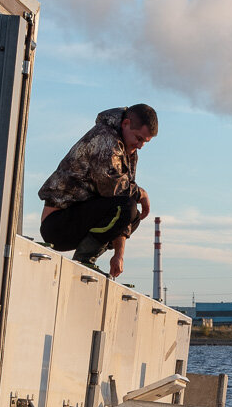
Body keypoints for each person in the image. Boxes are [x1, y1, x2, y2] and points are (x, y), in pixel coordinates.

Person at [38, 103, 158, 278]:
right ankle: (84, 258)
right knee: (127, 206)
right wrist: (142, 193)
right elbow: (113, 189)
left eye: (145, 142)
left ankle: (88, 257)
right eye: (138, 138)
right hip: (57, 225)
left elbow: (123, 207)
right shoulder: (104, 139)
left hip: (78, 221)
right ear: (125, 124)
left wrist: (119, 255)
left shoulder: (127, 150)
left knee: (134, 216)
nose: (140, 146)